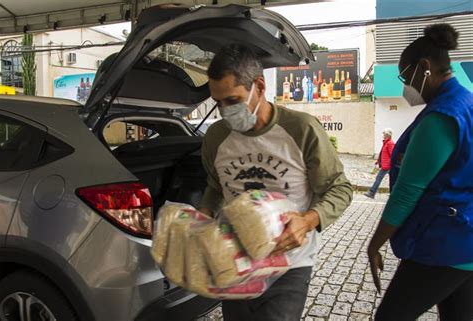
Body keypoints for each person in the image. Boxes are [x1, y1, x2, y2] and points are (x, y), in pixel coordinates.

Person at [198, 44, 353, 321]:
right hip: (236, 262)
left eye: (233, 101)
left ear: (259, 86)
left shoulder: (301, 129)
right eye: (218, 103)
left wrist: (308, 221)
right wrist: (203, 217)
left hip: (289, 265)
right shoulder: (216, 137)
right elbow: (214, 187)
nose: (225, 111)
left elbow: (339, 189)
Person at [368, 24, 473, 321]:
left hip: (443, 242)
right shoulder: (466, 102)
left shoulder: (441, 116)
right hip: (465, 239)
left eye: (406, 77)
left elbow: (407, 192)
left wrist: (375, 244)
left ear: (425, 68)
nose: (406, 87)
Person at [364, 128, 395, 199]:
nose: (383, 135)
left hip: (387, 166)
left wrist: (388, 164)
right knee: (393, 179)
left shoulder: (390, 143)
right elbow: (382, 154)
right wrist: (378, 161)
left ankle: (372, 192)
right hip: (386, 165)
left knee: (379, 178)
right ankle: (392, 193)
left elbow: (393, 155)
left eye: (384, 133)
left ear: (387, 135)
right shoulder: (386, 142)